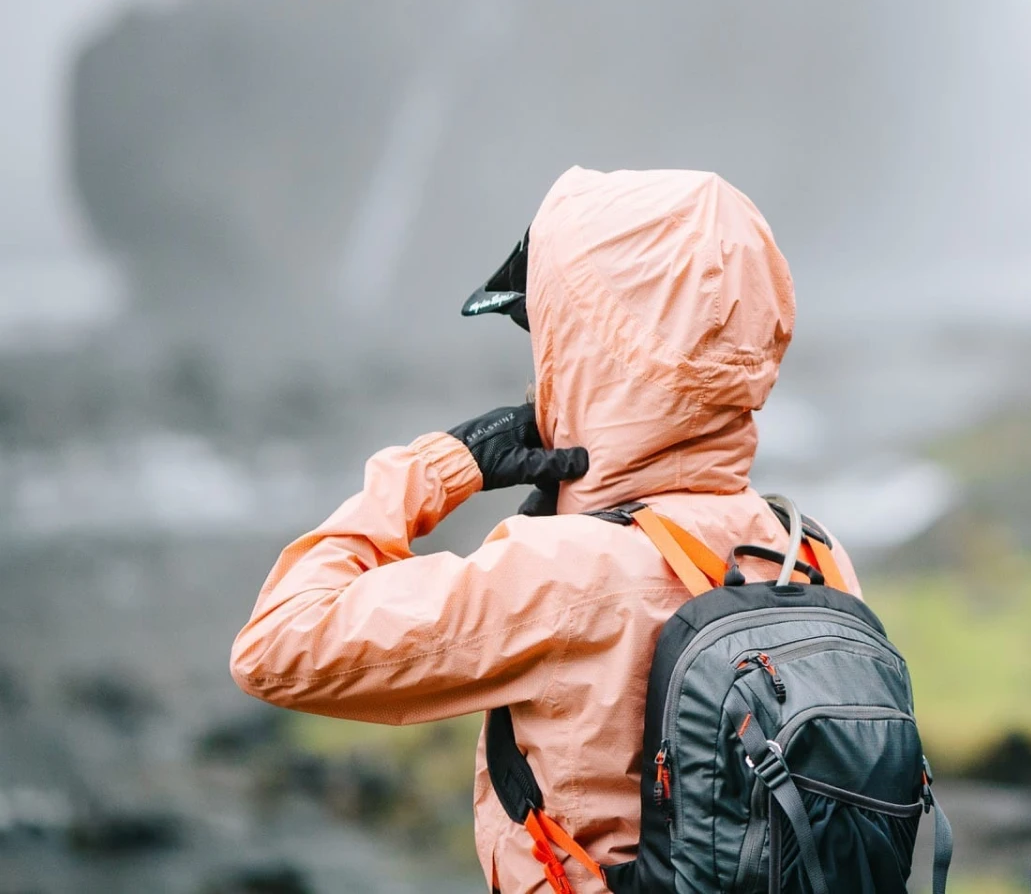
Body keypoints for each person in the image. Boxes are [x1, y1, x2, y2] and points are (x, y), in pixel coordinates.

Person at [230, 166, 860, 894]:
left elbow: (277, 642)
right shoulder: (811, 550)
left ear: (592, 355)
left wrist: (442, 466)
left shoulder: (564, 570)